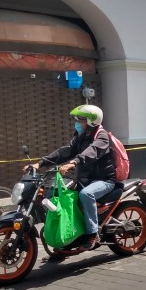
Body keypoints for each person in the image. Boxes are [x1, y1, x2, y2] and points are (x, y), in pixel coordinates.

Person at [27, 105, 115, 251]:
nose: (78, 123)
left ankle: (93, 234)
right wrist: (40, 163)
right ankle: (70, 234)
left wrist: (74, 162)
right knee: (60, 194)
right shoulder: (81, 136)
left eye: (81, 120)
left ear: (91, 121)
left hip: (104, 180)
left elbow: (91, 152)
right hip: (85, 179)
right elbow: (65, 151)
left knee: (86, 194)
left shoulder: (102, 136)